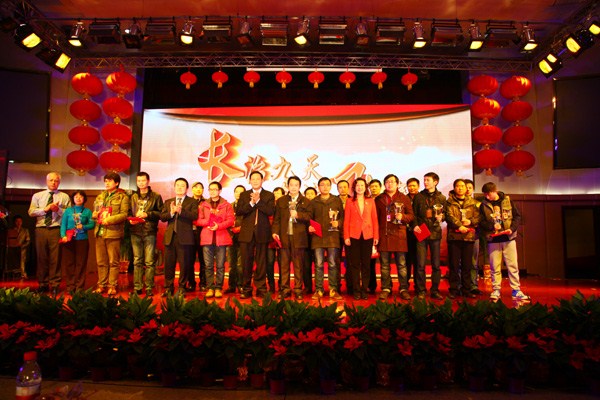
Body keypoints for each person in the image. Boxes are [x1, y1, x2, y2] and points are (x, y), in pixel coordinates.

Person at [479, 182, 530, 302]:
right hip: (493, 239)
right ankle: (496, 290)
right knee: (494, 266)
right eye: (485, 194)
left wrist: (511, 229)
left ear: (495, 191)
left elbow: (517, 217)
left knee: (512, 265)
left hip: (508, 238)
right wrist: (492, 226)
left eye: (488, 194)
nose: (487, 197)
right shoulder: (484, 205)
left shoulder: (507, 200)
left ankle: (516, 290)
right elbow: (481, 222)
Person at [28, 172, 71, 295]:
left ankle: (55, 284)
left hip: (56, 229)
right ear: (46, 181)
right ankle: (43, 284)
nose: (53, 182)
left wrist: (58, 210)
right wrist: (45, 209)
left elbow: (69, 215)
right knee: (41, 257)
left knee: (55, 258)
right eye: (51, 180)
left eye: (56, 180)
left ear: (59, 182)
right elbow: (31, 212)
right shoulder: (37, 195)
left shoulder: (64, 197)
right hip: (41, 229)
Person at [375, 174, 414, 300]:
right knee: (384, 266)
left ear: (397, 184)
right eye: (387, 182)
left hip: (399, 235)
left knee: (402, 265)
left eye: (392, 182)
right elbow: (375, 218)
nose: (390, 184)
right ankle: (386, 288)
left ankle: (403, 288)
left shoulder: (404, 198)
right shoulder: (379, 199)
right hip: (384, 235)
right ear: (384, 184)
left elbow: (411, 216)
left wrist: (403, 217)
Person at [237, 171, 275, 299]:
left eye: (257, 179)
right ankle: (246, 288)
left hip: (262, 232)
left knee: (261, 262)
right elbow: (239, 211)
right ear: (249, 181)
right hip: (246, 233)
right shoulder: (244, 194)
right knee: (246, 262)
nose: (255, 181)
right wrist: (251, 203)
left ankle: (261, 288)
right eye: (252, 179)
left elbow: (270, 211)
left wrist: (258, 201)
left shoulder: (269, 195)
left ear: (262, 180)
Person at [272, 176, 311, 300]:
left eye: (296, 185)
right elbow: (277, 219)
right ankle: (285, 289)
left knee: (298, 265)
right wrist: (274, 232)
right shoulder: (281, 201)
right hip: (284, 236)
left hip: (299, 238)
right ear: (287, 186)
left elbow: (310, 217)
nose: (293, 187)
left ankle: (298, 289)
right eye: (291, 185)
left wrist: (298, 215)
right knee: (284, 265)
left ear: (299, 187)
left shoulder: (306, 201)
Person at [92, 172, 130, 296]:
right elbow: (96, 211)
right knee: (101, 261)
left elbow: (124, 214)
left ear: (117, 183)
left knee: (113, 261)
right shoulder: (100, 196)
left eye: (109, 181)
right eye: (105, 181)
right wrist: (94, 215)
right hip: (100, 232)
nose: (107, 183)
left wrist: (110, 219)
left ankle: (112, 285)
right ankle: (101, 285)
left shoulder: (122, 197)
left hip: (113, 233)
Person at [160, 177, 198, 297]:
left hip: (185, 237)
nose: (180, 187)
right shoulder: (168, 201)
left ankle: (182, 287)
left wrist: (181, 211)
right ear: (174, 187)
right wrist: (171, 212)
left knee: (184, 264)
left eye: (182, 185)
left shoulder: (192, 201)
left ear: (187, 188)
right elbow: (162, 217)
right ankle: (168, 287)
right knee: (169, 264)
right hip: (170, 237)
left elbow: (194, 216)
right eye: (177, 185)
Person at [196, 181, 234, 299]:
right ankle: (210, 288)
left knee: (220, 266)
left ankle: (218, 288)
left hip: (221, 238)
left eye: (215, 189)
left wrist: (219, 226)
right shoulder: (203, 205)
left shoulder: (226, 205)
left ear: (220, 191)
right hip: (207, 238)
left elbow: (231, 220)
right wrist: (208, 221)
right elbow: (197, 220)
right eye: (210, 189)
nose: (212, 191)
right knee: (208, 265)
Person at [308, 177, 344, 300]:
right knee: (318, 264)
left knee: (333, 264)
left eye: (327, 185)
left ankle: (333, 289)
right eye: (322, 185)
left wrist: (338, 223)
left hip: (332, 237)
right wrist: (309, 227)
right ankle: (319, 290)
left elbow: (343, 217)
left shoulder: (336, 200)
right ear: (318, 187)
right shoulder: (314, 202)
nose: (325, 187)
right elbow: (309, 218)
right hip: (317, 237)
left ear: (330, 186)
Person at [343, 177, 379, 300]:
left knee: (366, 265)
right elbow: (346, 220)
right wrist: (346, 236)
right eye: (357, 185)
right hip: (353, 236)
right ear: (354, 187)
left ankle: (364, 290)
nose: (360, 187)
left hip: (368, 235)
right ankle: (356, 290)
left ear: (365, 187)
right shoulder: (349, 201)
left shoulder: (370, 201)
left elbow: (374, 219)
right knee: (354, 265)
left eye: (362, 185)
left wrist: (376, 236)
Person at [129, 172, 164, 297]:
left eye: (143, 180)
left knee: (149, 262)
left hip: (149, 231)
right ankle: (137, 287)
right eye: (138, 181)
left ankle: (149, 287)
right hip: (135, 231)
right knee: (137, 261)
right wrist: (131, 219)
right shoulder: (133, 196)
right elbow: (129, 212)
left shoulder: (156, 196)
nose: (141, 183)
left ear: (148, 181)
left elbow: (161, 213)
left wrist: (147, 214)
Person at [412, 172, 446, 300]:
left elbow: (446, 214)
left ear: (435, 182)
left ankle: (435, 290)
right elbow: (413, 214)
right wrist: (415, 225)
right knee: (420, 264)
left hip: (435, 233)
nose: (425, 182)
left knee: (436, 265)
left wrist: (442, 217)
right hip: (421, 231)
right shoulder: (419, 197)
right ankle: (421, 290)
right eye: (424, 180)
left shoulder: (441, 198)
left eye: (428, 180)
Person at [445, 179, 480, 299]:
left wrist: (470, 222)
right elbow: (449, 216)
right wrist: (459, 226)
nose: (460, 188)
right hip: (454, 237)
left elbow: (478, 217)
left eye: (462, 186)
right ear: (454, 188)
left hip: (468, 237)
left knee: (467, 265)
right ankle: (454, 289)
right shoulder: (449, 202)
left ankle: (466, 289)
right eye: (457, 186)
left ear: (466, 188)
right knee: (454, 266)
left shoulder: (473, 202)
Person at [60, 190, 94, 292]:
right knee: (69, 264)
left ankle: (79, 287)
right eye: (76, 197)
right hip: (69, 240)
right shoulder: (68, 211)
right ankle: (71, 286)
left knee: (81, 264)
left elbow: (92, 224)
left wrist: (83, 226)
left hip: (82, 240)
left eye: (80, 196)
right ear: (73, 199)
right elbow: (63, 225)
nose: (78, 198)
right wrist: (63, 236)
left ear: (84, 199)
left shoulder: (87, 211)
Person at [465, 178, 484, 294]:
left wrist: (471, 222)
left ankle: (473, 285)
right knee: (461, 262)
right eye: (465, 187)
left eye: (470, 188)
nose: (467, 190)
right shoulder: (457, 202)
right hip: (459, 235)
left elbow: (480, 219)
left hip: (474, 235)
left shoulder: (478, 204)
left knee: (473, 262)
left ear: (473, 189)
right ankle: (461, 285)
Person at [225, 184, 245, 293]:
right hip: (230, 236)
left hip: (242, 237)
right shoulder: (229, 206)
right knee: (231, 264)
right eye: (236, 191)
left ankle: (241, 285)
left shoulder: (247, 206)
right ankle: (231, 286)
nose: (238, 194)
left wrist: (240, 227)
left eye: (241, 192)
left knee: (240, 264)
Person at [266, 186, 285, 293]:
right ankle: (271, 285)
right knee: (269, 262)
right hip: (270, 238)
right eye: (275, 193)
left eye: (279, 193)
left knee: (283, 263)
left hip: (282, 238)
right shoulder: (269, 206)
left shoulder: (285, 206)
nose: (276, 195)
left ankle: (282, 284)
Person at [191, 182, 207, 292]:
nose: (198, 189)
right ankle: (191, 282)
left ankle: (203, 283)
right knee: (189, 259)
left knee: (203, 260)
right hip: (189, 233)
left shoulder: (206, 202)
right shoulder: (188, 201)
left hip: (203, 233)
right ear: (192, 189)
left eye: (200, 188)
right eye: (196, 188)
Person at [336, 179, 351, 294]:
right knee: (336, 260)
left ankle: (350, 284)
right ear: (337, 189)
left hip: (350, 234)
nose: (343, 189)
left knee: (351, 260)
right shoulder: (333, 201)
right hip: (336, 234)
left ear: (348, 188)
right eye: (340, 187)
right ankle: (336, 285)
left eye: (345, 187)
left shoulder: (353, 200)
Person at [405, 177, 420, 292]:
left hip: (420, 231)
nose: (412, 188)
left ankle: (418, 285)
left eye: (414, 185)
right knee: (407, 260)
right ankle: (405, 285)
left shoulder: (422, 198)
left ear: (418, 186)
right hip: (407, 232)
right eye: (410, 186)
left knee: (419, 260)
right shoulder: (404, 199)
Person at [368, 179, 382, 294]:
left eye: (376, 186)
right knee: (370, 261)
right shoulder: (367, 200)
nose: (374, 188)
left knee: (384, 262)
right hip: (370, 233)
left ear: (380, 187)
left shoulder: (384, 199)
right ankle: (371, 285)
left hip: (383, 233)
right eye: (372, 186)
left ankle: (387, 286)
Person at [302, 186, 317, 294]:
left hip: (317, 239)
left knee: (318, 264)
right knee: (306, 265)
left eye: (312, 193)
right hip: (305, 240)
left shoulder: (318, 206)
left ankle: (319, 287)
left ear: (316, 195)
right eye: (308, 194)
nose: (310, 195)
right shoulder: (302, 207)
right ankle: (307, 287)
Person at [7, 215, 30, 279]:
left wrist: (22, 246)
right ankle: (13, 275)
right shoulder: (11, 230)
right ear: (14, 222)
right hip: (13, 249)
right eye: (17, 221)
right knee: (13, 262)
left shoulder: (25, 230)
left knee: (22, 262)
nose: (19, 223)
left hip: (22, 249)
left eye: (20, 221)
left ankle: (23, 274)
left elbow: (28, 241)